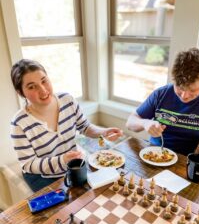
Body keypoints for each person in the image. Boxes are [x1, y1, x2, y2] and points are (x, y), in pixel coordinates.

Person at [10, 59, 123, 191]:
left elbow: (85, 127)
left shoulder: (67, 100)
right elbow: (28, 164)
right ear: (20, 92)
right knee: (64, 208)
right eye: (31, 86)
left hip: (73, 166)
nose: (43, 90)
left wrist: (103, 132)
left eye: (44, 81)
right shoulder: (19, 123)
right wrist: (62, 160)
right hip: (42, 177)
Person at [126, 48, 199, 156]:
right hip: (156, 155)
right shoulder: (160, 94)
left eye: (192, 90)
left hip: (192, 162)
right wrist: (145, 123)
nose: (184, 96)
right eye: (180, 88)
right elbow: (130, 122)